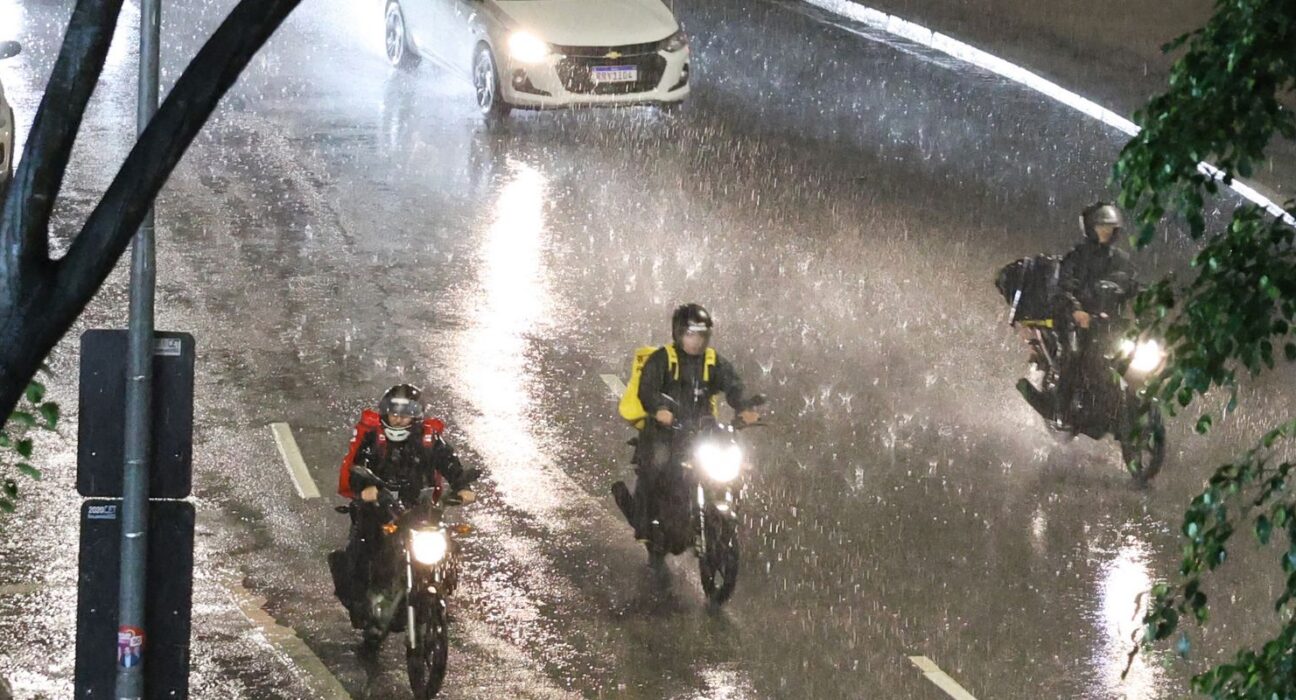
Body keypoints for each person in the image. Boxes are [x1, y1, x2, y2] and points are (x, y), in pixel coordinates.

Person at [612, 304, 759, 541]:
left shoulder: (713, 361)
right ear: (678, 334)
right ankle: (642, 520)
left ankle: (718, 505)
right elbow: (647, 389)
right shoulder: (662, 359)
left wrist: (745, 407)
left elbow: (733, 385)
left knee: (733, 461)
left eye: (702, 335)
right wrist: (660, 409)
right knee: (656, 466)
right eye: (690, 334)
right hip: (665, 431)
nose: (696, 341)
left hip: (701, 430)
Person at [334, 384, 477, 622]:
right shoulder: (373, 439)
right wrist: (367, 487)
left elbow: (450, 463)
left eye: (407, 412)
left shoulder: (430, 440)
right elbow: (360, 466)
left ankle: (440, 590)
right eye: (394, 412)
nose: (399, 419)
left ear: (417, 414)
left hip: (419, 508)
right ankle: (362, 603)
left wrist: (462, 486)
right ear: (385, 412)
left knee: (447, 544)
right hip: (380, 508)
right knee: (363, 545)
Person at [1018, 202, 1137, 424]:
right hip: (1074, 320)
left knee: (1132, 357)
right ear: (1090, 228)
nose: (1106, 231)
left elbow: (1133, 286)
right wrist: (1076, 309)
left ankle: (1115, 407)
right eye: (1101, 227)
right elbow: (1063, 287)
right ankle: (1059, 410)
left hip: (1107, 322)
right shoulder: (1077, 257)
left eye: (1110, 227)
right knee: (1074, 355)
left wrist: (1153, 301)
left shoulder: (1121, 259)